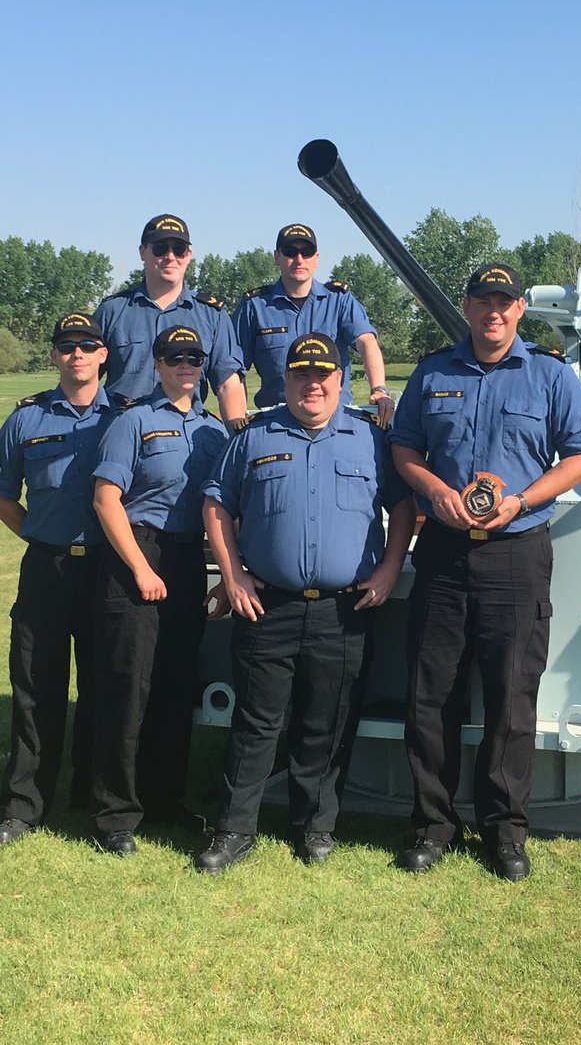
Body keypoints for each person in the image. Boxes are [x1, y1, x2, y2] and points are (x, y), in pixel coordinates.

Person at [389, 263, 581, 881]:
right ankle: (432, 826)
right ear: (468, 306)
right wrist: (435, 490)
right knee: (432, 694)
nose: (495, 311)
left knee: (511, 695)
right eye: (484, 300)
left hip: (516, 550)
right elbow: (404, 447)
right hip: (444, 552)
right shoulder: (433, 372)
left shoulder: (550, 375)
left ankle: (505, 831)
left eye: (505, 302)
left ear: (519, 309)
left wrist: (523, 501)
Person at [195, 333, 415, 873]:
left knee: (327, 723)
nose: (312, 385)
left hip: (344, 610)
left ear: (341, 380)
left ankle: (315, 826)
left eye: (323, 375)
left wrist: (389, 569)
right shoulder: (253, 436)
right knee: (256, 723)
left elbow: (404, 506)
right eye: (301, 374)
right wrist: (233, 575)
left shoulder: (371, 439)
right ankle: (234, 830)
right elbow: (216, 505)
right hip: (267, 606)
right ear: (286, 379)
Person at [90, 325, 229, 854]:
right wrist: (141, 569)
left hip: (189, 558)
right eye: (175, 357)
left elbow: (220, 508)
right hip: (139, 553)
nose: (186, 365)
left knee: (175, 685)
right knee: (130, 687)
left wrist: (223, 575)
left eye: (194, 357)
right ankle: (115, 814)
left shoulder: (214, 430)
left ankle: (165, 799)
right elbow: (106, 499)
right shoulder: (134, 421)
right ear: (158, 364)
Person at [0, 314, 113, 846]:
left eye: (87, 345)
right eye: (66, 346)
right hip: (47, 568)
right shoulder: (26, 418)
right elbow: (4, 496)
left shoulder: (125, 418)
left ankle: (93, 797)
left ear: (103, 355)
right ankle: (24, 805)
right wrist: (40, 534)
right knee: (35, 686)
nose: (77, 354)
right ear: (54, 356)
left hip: (108, 569)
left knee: (104, 685)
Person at [232, 223, 394, 427]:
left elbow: (366, 342)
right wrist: (238, 419)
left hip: (335, 422)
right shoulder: (254, 306)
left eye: (307, 252)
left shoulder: (339, 300)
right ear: (277, 257)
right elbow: (233, 368)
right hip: (275, 424)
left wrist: (378, 389)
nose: (299, 259)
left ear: (316, 258)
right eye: (291, 251)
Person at [93, 214, 247, 429]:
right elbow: (85, 377)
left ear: (189, 254)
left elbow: (228, 383)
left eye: (179, 249)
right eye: (160, 248)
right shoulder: (112, 311)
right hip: (121, 431)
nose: (170, 256)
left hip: (185, 435)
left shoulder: (212, 315)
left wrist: (239, 436)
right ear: (142, 252)